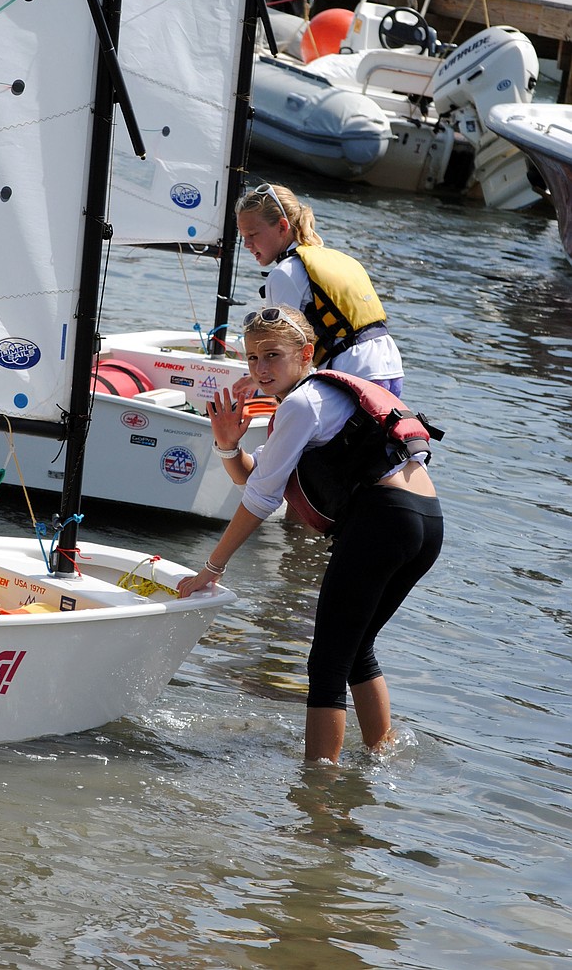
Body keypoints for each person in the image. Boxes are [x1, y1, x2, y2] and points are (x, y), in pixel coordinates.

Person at [177, 306, 443, 764]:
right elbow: (259, 476)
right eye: (252, 358)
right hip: (426, 522)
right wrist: (227, 445)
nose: (260, 369)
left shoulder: (301, 404)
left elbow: (260, 500)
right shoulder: (322, 396)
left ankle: (319, 789)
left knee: (326, 663)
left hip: (382, 521)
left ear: (306, 353)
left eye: (273, 356)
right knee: (357, 648)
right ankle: (382, 755)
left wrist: (211, 569)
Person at [235, 181, 404, 395]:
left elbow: (278, 348)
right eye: (243, 237)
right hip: (390, 370)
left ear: (282, 226)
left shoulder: (284, 273)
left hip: (352, 375)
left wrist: (257, 382)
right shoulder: (334, 258)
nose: (247, 244)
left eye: (252, 234)